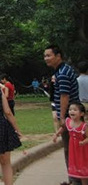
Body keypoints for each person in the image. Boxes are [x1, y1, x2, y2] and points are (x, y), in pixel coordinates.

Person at [45, 44, 81, 185]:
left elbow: (64, 96)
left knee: (71, 149)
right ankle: (74, 179)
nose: (46, 58)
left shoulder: (63, 73)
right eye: (45, 56)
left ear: (58, 56)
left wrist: (62, 118)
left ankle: (75, 180)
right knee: (72, 149)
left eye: (49, 55)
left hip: (70, 117)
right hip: (72, 116)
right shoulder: (62, 71)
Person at [54, 102, 88, 184]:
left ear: (82, 114)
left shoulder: (84, 126)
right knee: (76, 166)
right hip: (73, 150)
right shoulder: (68, 121)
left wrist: (84, 142)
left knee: (83, 167)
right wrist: (56, 134)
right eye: (70, 109)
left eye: (75, 110)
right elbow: (63, 128)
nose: (71, 111)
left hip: (83, 151)